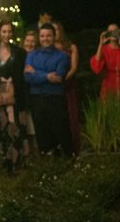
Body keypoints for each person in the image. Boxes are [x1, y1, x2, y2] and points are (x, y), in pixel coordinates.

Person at [0, 20, 29, 172]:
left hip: (15, 97)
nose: (7, 34)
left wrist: (12, 84)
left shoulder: (20, 52)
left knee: (15, 129)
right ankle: (0, 164)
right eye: (4, 31)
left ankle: (16, 164)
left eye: (9, 31)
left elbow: (23, 76)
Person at [24, 24, 73, 157]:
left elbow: (58, 76)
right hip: (37, 100)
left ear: (54, 36)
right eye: (42, 36)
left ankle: (67, 164)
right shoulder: (32, 55)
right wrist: (46, 76)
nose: (45, 39)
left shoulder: (62, 56)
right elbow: (28, 77)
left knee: (61, 133)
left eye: (48, 36)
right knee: (42, 135)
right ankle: (46, 167)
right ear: (39, 37)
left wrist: (36, 73)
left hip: (55, 99)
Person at [53, 21, 81, 155]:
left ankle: (74, 147)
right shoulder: (48, 48)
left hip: (67, 85)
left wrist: (63, 79)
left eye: (56, 30)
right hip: (52, 86)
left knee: (70, 115)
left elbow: (74, 67)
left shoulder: (71, 46)